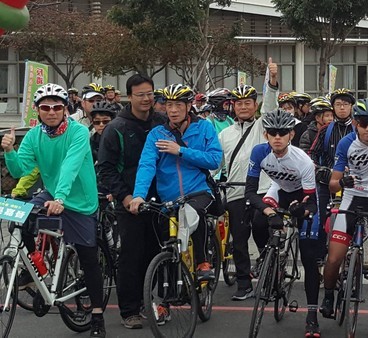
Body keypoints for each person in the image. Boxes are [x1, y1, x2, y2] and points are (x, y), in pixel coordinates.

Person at [1, 83, 107, 337]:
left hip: (79, 200)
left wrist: (60, 197)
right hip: (52, 194)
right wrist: (9, 151)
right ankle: (34, 269)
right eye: (45, 107)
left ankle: (97, 316)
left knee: (89, 258)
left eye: (57, 107)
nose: (51, 111)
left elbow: (71, 165)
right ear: (37, 110)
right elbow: (19, 170)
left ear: (65, 109)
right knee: (21, 218)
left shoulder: (78, 132)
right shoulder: (34, 135)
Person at [319, 98, 368, 337]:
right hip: (352, 199)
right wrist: (341, 182)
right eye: (363, 123)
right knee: (333, 259)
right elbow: (333, 185)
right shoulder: (346, 143)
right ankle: (330, 293)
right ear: (355, 123)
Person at [130, 84, 222, 286]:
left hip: (199, 191)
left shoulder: (204, 127)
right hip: (169, 198)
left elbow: (215, 160)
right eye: (169, 104)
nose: (172, 110)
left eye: (178, 105)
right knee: (167, 247)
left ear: (189, 105)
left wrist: (180, 150)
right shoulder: (156, 134)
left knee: (192, 213)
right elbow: (146, 165)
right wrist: (138, 195)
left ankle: (202, 262)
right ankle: (166, 301)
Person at [97, 74, 167, 329]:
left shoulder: (161, 122)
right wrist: (125, 197)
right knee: (131, 256)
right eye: (141, 95)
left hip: (160, 201)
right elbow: (105, 169)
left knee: (157, 254)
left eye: (150, 93)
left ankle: (151, 302)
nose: (147, 99)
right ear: (129, 96)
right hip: (130, 204)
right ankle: (129, 310)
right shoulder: (117, 128)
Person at [245, 109, 322, 337]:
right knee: (258, 220)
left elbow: (313, 204)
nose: (277, 137)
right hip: (278, 191)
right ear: (265, 134)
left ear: (291, 134)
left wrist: (300, 211)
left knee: (308, 258)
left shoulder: (303, 161)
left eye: (282, 132)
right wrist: (270, 212)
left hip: (303, 198)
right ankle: (267, 258)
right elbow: (250, 192)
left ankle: (312, 316)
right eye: (272, 132)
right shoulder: (259, 152)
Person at [218, 60, 279, 301]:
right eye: (239, 103)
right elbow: (217, 165)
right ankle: (244, 284)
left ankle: (270, 275)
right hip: (235, 193)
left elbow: (272, 107)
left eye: (247, 103)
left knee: (262, 231)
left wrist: (272, 81)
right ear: (233, 107)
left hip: (262, 190)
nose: (243, 107)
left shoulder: (263, 127)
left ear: (255, 105)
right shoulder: (224, 134)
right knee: (239, 241)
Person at [308, 88, 356, 249]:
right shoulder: (326, 129)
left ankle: (353, 252)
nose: (342, 108)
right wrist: (318, 168)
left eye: (346, 104)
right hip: (327, 181)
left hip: (352, 182)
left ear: (351, 107)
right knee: (321, 218)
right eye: (338, 104)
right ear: (333, 108)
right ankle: (320, 256)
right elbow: (312, 153)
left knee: (352, 220)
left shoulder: (358, 130)